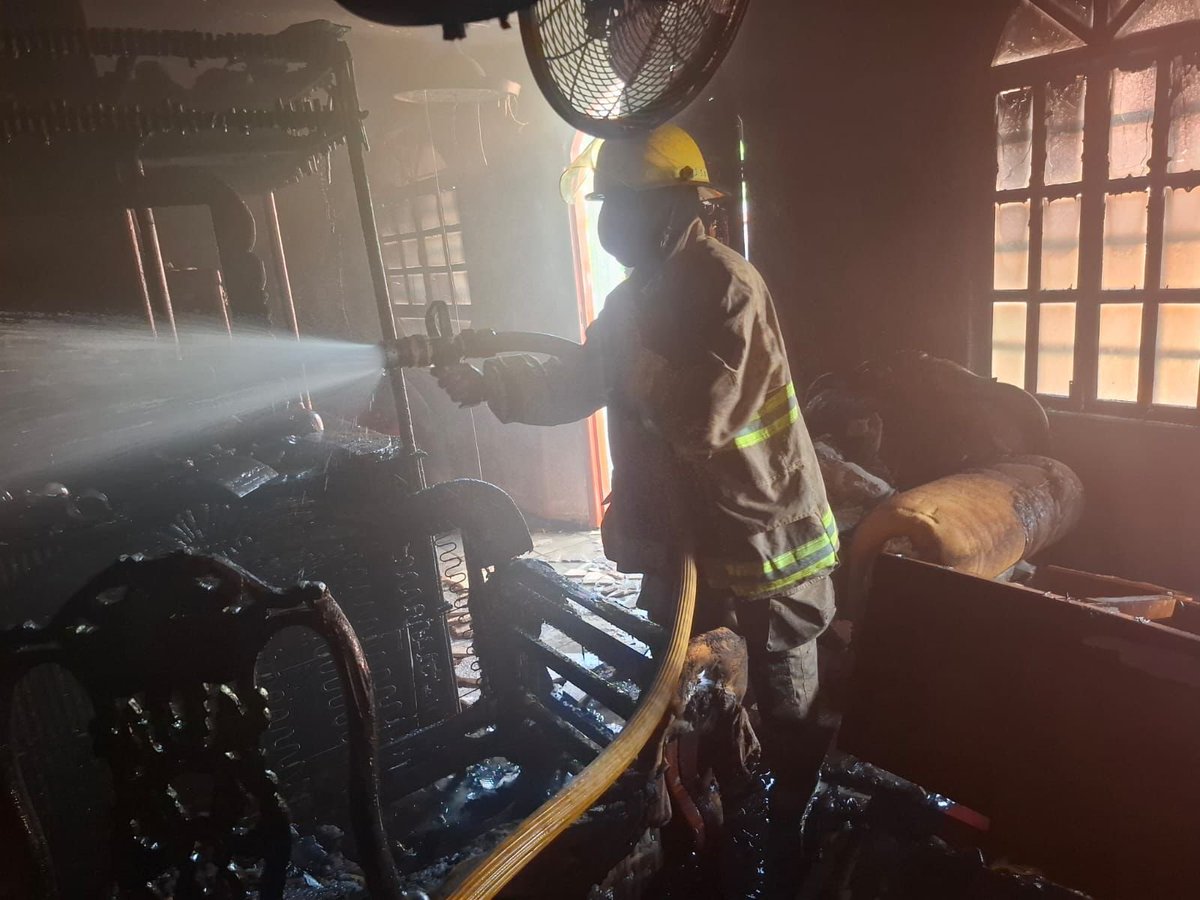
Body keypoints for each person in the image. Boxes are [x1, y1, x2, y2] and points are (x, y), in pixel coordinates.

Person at [435, 124, 838, 823]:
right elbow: (580, 378)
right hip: (688, 536)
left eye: (628, 203)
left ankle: (794, 823)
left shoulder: (728, 288)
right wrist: (493, 380)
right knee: (691, 677)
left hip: (764, 532)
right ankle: (715, 801)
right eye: (607, 204)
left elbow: (699, 415)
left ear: (683, 205)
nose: (612, 222)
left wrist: (629, 367)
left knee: (782, 682)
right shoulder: (632, 299)